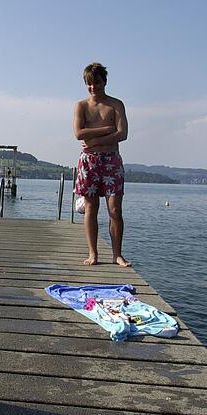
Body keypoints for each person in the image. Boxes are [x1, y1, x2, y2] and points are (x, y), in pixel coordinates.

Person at [73, 62, 131, 267]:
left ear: (104, 82)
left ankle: (117, 254)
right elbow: (78, 133)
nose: (93, 87)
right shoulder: (81, 106)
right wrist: (107, 129)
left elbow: (122, 133)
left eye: (96, 83)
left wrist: (95, 140)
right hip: (89, 161)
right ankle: (93, 253)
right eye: (89, 83)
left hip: (111, 161)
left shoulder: (116, 105)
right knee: (91, 208)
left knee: (115, 209)